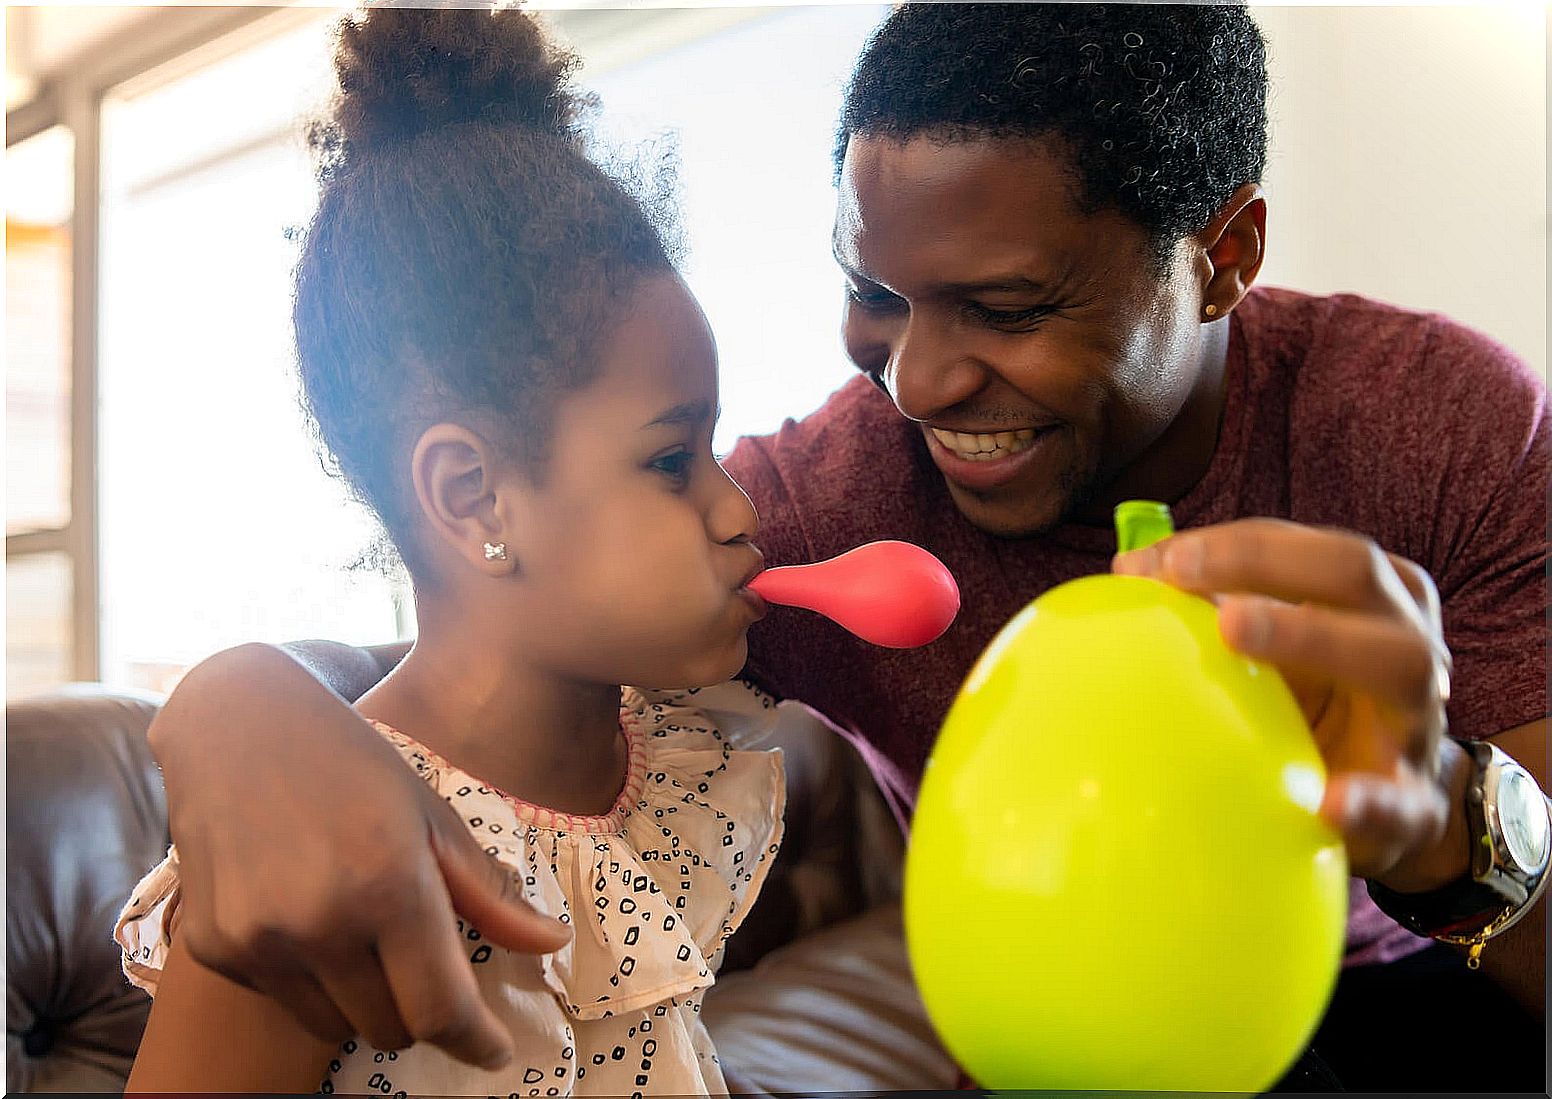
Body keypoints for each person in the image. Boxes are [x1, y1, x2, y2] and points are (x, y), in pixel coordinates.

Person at [137, 2, 1548, 1092]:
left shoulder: (1436, 427)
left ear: (1225, 252)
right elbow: (497, 625)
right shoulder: (832, 497)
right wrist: (231, 698)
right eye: (873, 291)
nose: (918, 380)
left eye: (1003, 305)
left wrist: (1440, 817)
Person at [115, 6, 790, 1093]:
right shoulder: (317, 858)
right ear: (474, 496)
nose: (735, 508)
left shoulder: (668, 773)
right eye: (672, 461)